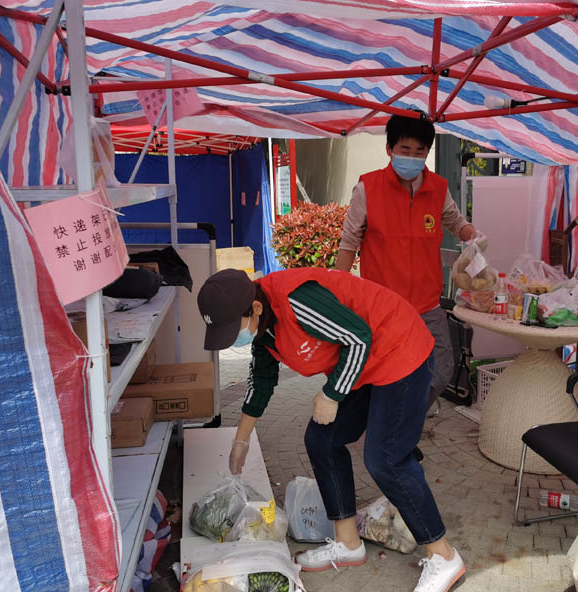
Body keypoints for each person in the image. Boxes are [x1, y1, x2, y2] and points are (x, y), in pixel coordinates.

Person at [198, 267, 466, 592]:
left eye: (233, 328)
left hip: (399, 349)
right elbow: (261, 382)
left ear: (255, 308)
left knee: (385, 458)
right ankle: (348, 543)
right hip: (364, 365)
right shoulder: (263, 331)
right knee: (321, 439)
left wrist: (331, 394)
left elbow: (357, 338)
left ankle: (444, 555)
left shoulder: (297, 301)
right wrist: (241, 440)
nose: (234, 338)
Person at [335, 112, 481, 415]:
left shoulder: (437, 187)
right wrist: (338, 292)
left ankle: (405, 419)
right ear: (389, 149)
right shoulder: (368, 188)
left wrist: (471, 234)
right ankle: (388, 425)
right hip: (383, 305)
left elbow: (454, 221)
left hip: (427, 305)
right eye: (405, 150)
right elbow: (348, 243)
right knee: (385, 374)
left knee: (441, 368)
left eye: (419, 151)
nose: (412, 158)